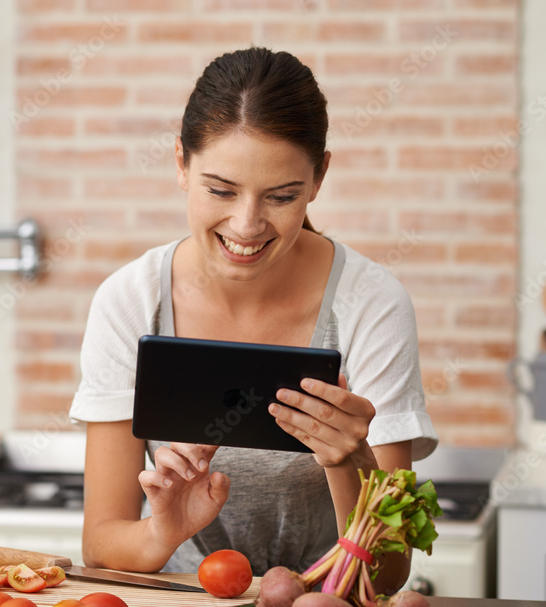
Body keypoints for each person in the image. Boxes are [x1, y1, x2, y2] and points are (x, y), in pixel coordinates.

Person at [67, 47, 438, 589]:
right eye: (220, 190)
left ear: (319, 178)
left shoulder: (370, 302)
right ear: (180, 164)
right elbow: (100, 548)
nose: (246, 226)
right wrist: (162, 531)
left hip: (323, 598)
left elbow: (388, 573)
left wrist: (349, 461)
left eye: (282, 196)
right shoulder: (131, 300)